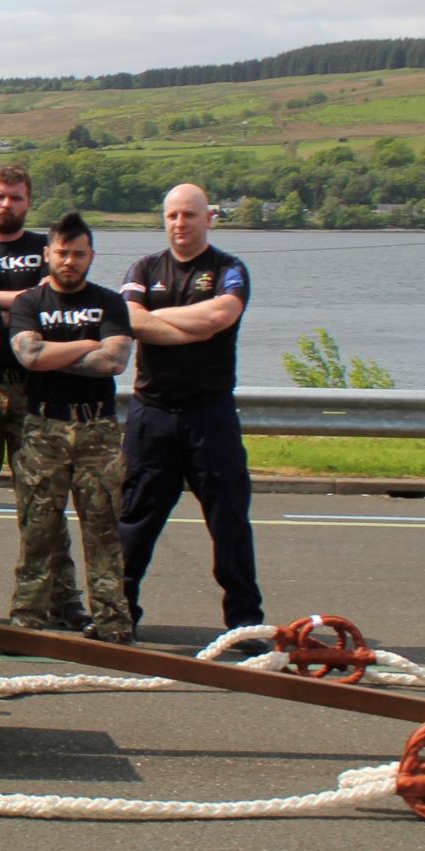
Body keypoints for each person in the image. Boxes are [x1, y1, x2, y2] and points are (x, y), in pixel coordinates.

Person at [119, 183, 262, 636]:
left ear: (209, 218)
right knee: (134, 520)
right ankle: (119, 611)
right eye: (173, 216)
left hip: (210, 416)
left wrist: (160, 322)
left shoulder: (229, 268)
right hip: (152, 415)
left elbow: (221, 317)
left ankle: (244, 621)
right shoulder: (144, 267)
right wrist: (193, 326)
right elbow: (129, 319)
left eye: (190, 215)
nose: (180, 224)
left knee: (229, 523)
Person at [0, 163, 87, 630]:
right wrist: (25, 298)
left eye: (15, 197)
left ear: (28, 201)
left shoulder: (45, 249)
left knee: (44, 503)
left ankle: (62, 596)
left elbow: (56, 298)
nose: (6, 204)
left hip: (39, 393)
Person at [5, 212, 136, 643]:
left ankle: (113, 622)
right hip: (44, 426)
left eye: (78, 254)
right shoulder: (30, 303)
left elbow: (114, 361)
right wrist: (86, 343)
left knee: (102, 529)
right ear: (48, 254)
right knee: (38, 527)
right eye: (62, 253)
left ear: (91, 256)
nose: (69, 261)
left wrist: (56, 350)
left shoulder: (110, 303)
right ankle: (29, 619)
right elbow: (30, 357)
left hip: (97, 429)